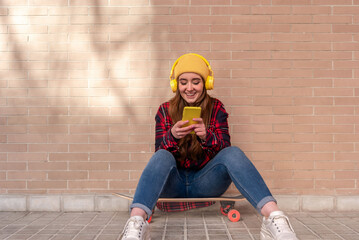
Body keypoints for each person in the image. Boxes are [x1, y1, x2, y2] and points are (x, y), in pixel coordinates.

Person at [119, 53, 298, 240]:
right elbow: (159, 157)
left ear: (206, 83)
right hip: (172, 184)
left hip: (206, 183)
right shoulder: (164, 110)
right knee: (162, 156)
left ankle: (274, 218)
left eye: (195, 81)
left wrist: (207, 136)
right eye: (183, 82)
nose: (189, 88)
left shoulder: (217, 108)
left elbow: (225, 153)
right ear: (176, 85)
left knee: (233, 152)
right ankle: (136, 224)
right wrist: (172, 136)